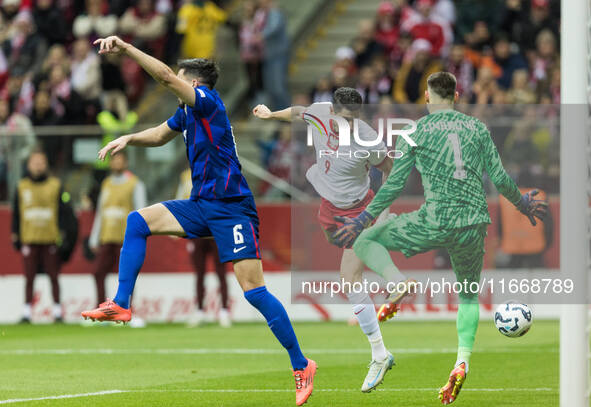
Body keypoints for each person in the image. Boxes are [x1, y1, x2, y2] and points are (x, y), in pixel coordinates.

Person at [80, 35, 316, 406]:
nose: (173, 79)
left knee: (253, 291)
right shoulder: (187, 112)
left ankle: (302, 364)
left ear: (191, 84)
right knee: (138, 222)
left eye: (179, 77)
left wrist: (125, 48)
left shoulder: (208, 103)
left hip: (232, 207)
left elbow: (162, 77)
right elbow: (159, 135)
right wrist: (128, 137)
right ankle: (122, 303)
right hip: (202, 203)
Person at [332, 72, 548, 404]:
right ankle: (461, 362)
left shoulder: (414, 131)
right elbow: (502, 178)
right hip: (475, 221)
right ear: (457, 95)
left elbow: (394, 185)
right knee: (469, 297)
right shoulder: (477, 128)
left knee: (364, 242)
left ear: (427, 97)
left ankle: (397, 282)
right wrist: (522, 203)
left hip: (436, 218)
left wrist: (363, 218)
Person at [253, 87, 396, 393]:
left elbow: (390, 170)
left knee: (349, 277)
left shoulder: (368, 138)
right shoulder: (319, 114)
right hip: (329, 207)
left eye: (352, 120)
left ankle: (380, 353)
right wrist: (270, 114)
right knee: (334, 244)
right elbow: (295, 111)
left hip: (360, 209)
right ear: (331, 112)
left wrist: (380, 211)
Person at [11, 150, 70, 323]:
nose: (38, 166)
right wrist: (15, 234)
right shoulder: (21, 186)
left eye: (41, 162)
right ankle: (27, 312)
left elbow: (63, 212)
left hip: (50, 238)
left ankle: (58, 312)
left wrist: (64, 233)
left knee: (54, 276)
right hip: (29, 237)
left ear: (46, 165)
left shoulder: (55, 185)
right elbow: (16, 212)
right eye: (34, 162)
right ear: (28, 165)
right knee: (29, 277)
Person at [88, 151, 146, 307]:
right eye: (115, 161)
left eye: (120, 161)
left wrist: (139, 236)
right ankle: (101, 309)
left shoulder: (135, 184)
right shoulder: (106, 184)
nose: (117, 163)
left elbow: (141, 212)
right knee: (98, 273)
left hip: (125, 238)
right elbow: (101, 211)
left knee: (128, 275)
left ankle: (127, 309)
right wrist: (95, 237)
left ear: (126, 163)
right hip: (107, 237)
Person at [176, 168, 231, 328]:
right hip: (197, 231)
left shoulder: (219, 171)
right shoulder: (185, 176)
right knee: (199, 273)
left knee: (221, 272)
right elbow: (181, 200)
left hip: (216, 231)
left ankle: (224, 311)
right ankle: (200, 311)